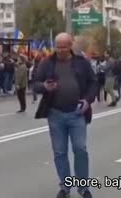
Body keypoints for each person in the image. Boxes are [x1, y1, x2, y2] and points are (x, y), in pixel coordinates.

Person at [33, 33, 97, 198]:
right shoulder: (47, 63)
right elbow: (35, 83)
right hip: (55, 113)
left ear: (70, 46)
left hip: (77, 113)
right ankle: (65, 186)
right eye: (58, 47)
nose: (60, 50)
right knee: (60, 152)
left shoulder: (81, 63)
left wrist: (88, 101)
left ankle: (83, 187)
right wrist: (45, 87)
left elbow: (93, 83)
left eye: (63, 47)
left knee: (80, 149)